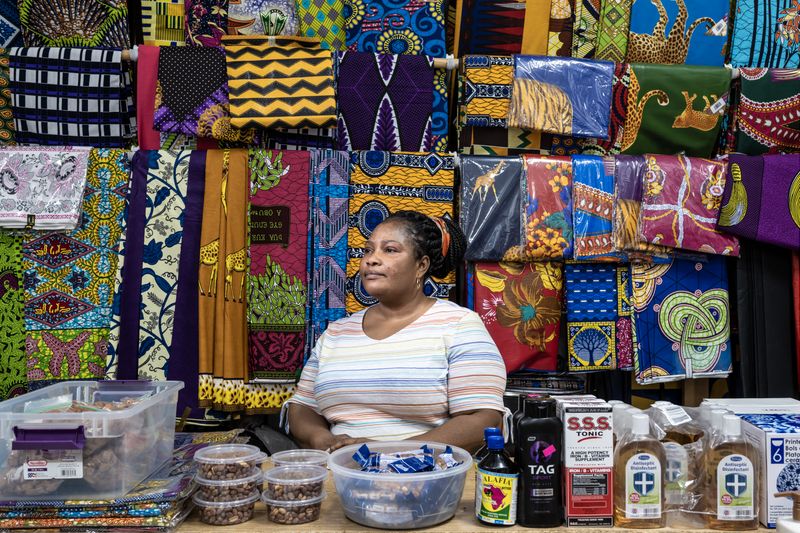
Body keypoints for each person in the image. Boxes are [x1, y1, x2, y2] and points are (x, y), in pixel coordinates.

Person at [285, 210, 507, 453]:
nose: (371, 259)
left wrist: (388, 451)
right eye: (368, 250)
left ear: (421, 266)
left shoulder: (458, 325)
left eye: (389, 250)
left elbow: (483, 419)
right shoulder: (337, 333)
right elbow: (302, 407)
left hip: (426, 478)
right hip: (339, 476)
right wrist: (322, 439)